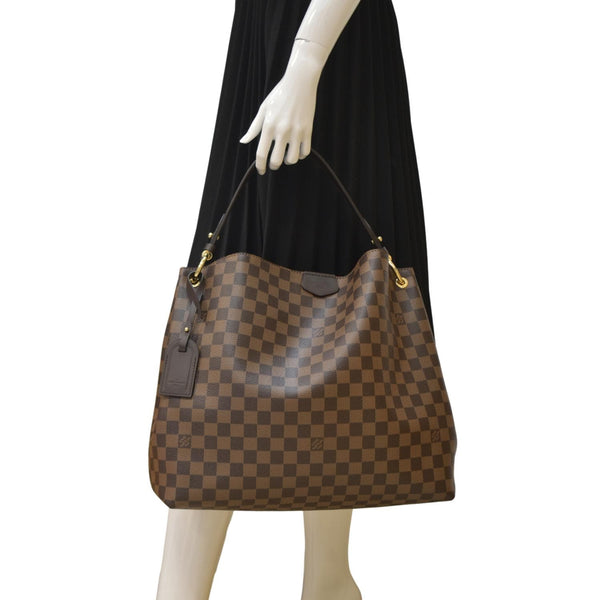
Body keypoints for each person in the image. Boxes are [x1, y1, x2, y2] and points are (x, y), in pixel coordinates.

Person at [158, 1, 433, 598]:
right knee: (242, 304)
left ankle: (315, 582)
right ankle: (326, 582)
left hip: (324, 43)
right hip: (269, 40)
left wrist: (306, 62)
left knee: (330, 304)